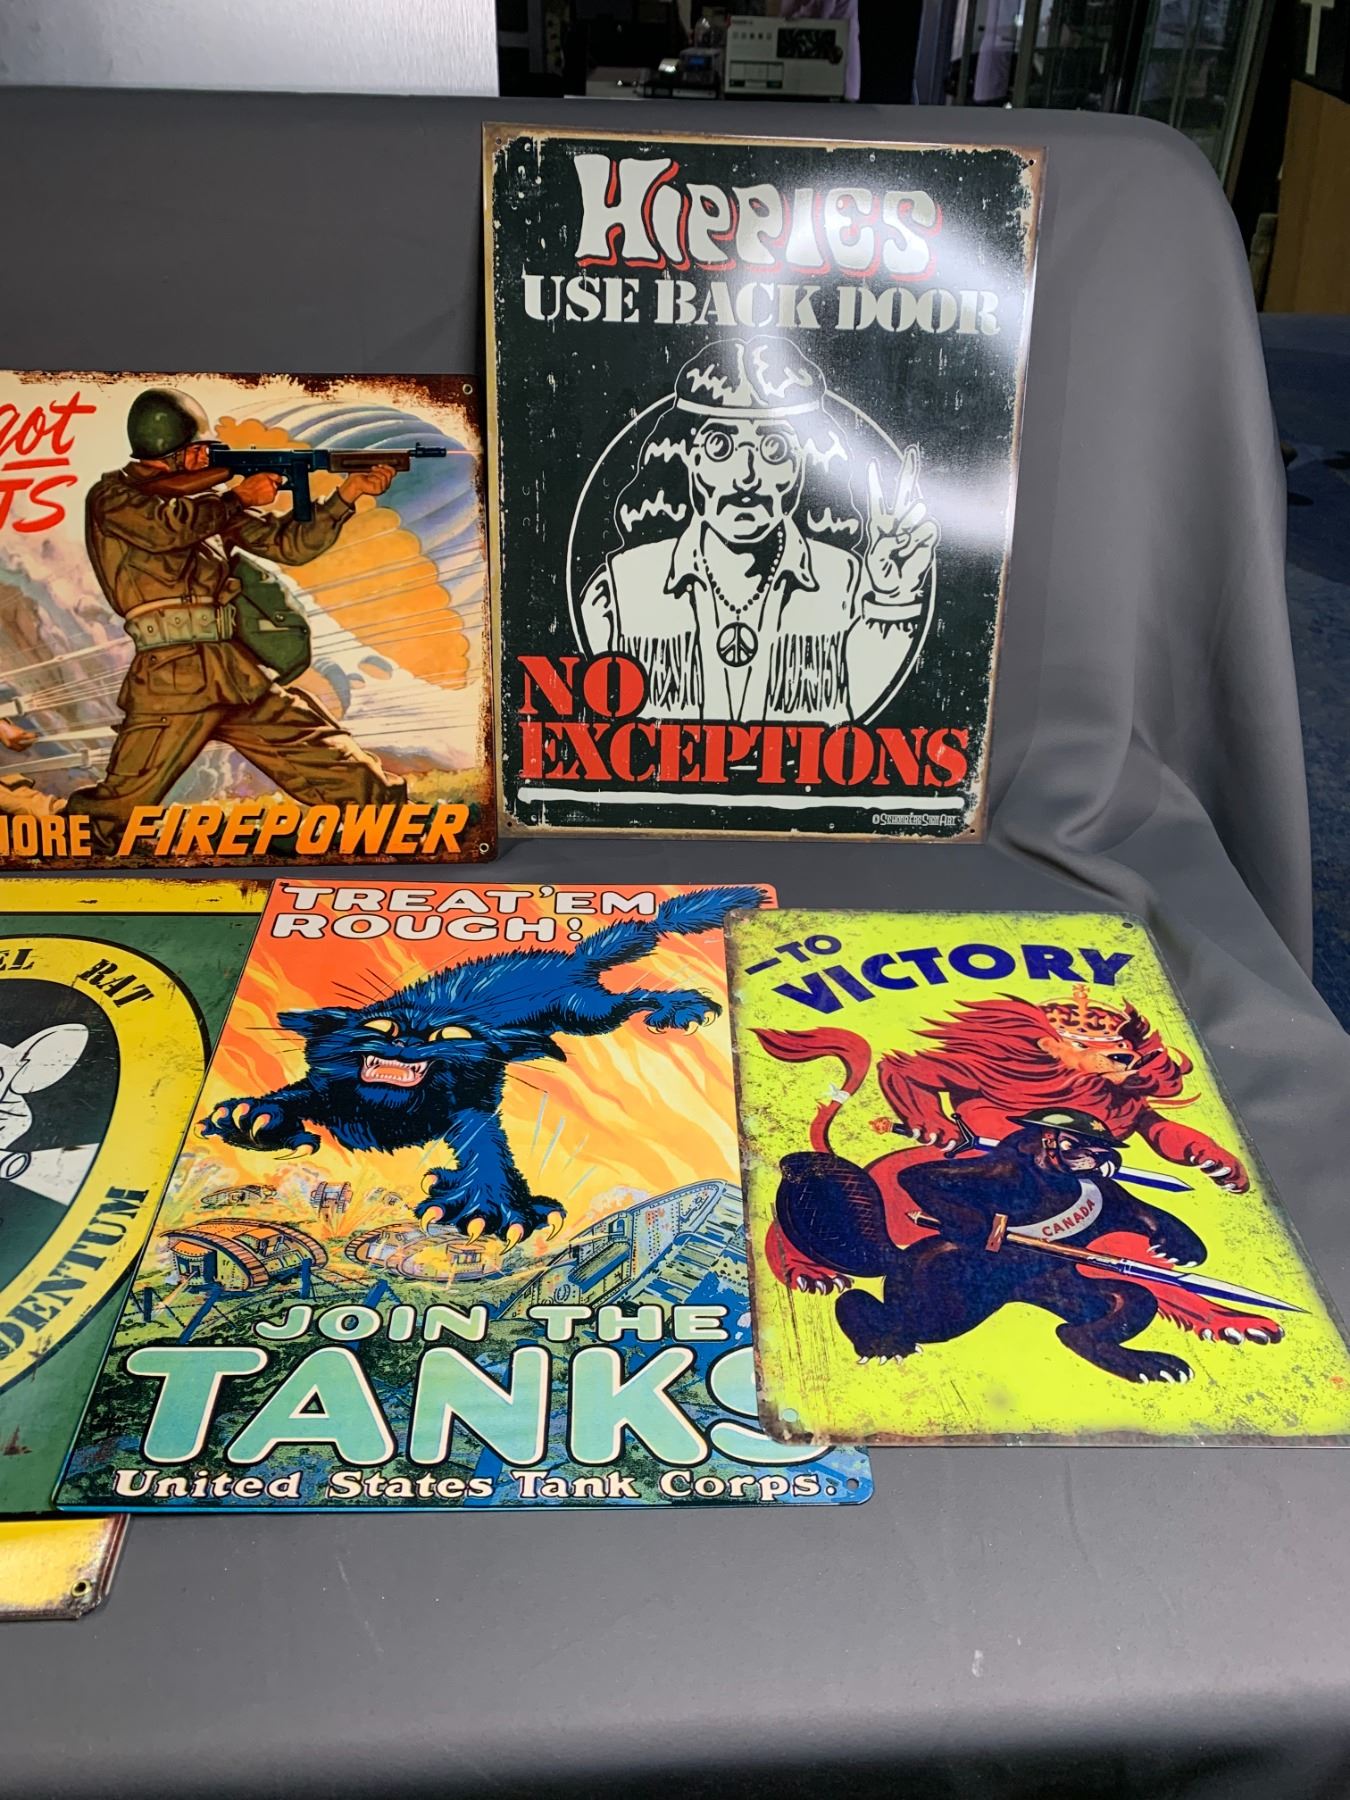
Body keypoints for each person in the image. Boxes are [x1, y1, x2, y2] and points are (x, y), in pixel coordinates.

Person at [69, 387, 406, 851]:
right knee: (117, 806)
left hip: (230, 667)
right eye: (198, 450)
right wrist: (237, 497)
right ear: (171, 451)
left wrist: (346, 495)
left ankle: (389, 819)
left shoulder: (206, 506)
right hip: (173, 676)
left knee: (320, 749)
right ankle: (69, 846)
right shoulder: (114, 498)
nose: (206, 457)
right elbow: (165, 529)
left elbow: (289, 546)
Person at [578, 336, 938, 724]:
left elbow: (862, 708)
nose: (746, 476)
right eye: (720, 446)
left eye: (774, 448)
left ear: (804, 464)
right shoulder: (618, 592)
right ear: (687, 456)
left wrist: (893, 595)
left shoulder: (850, 586)